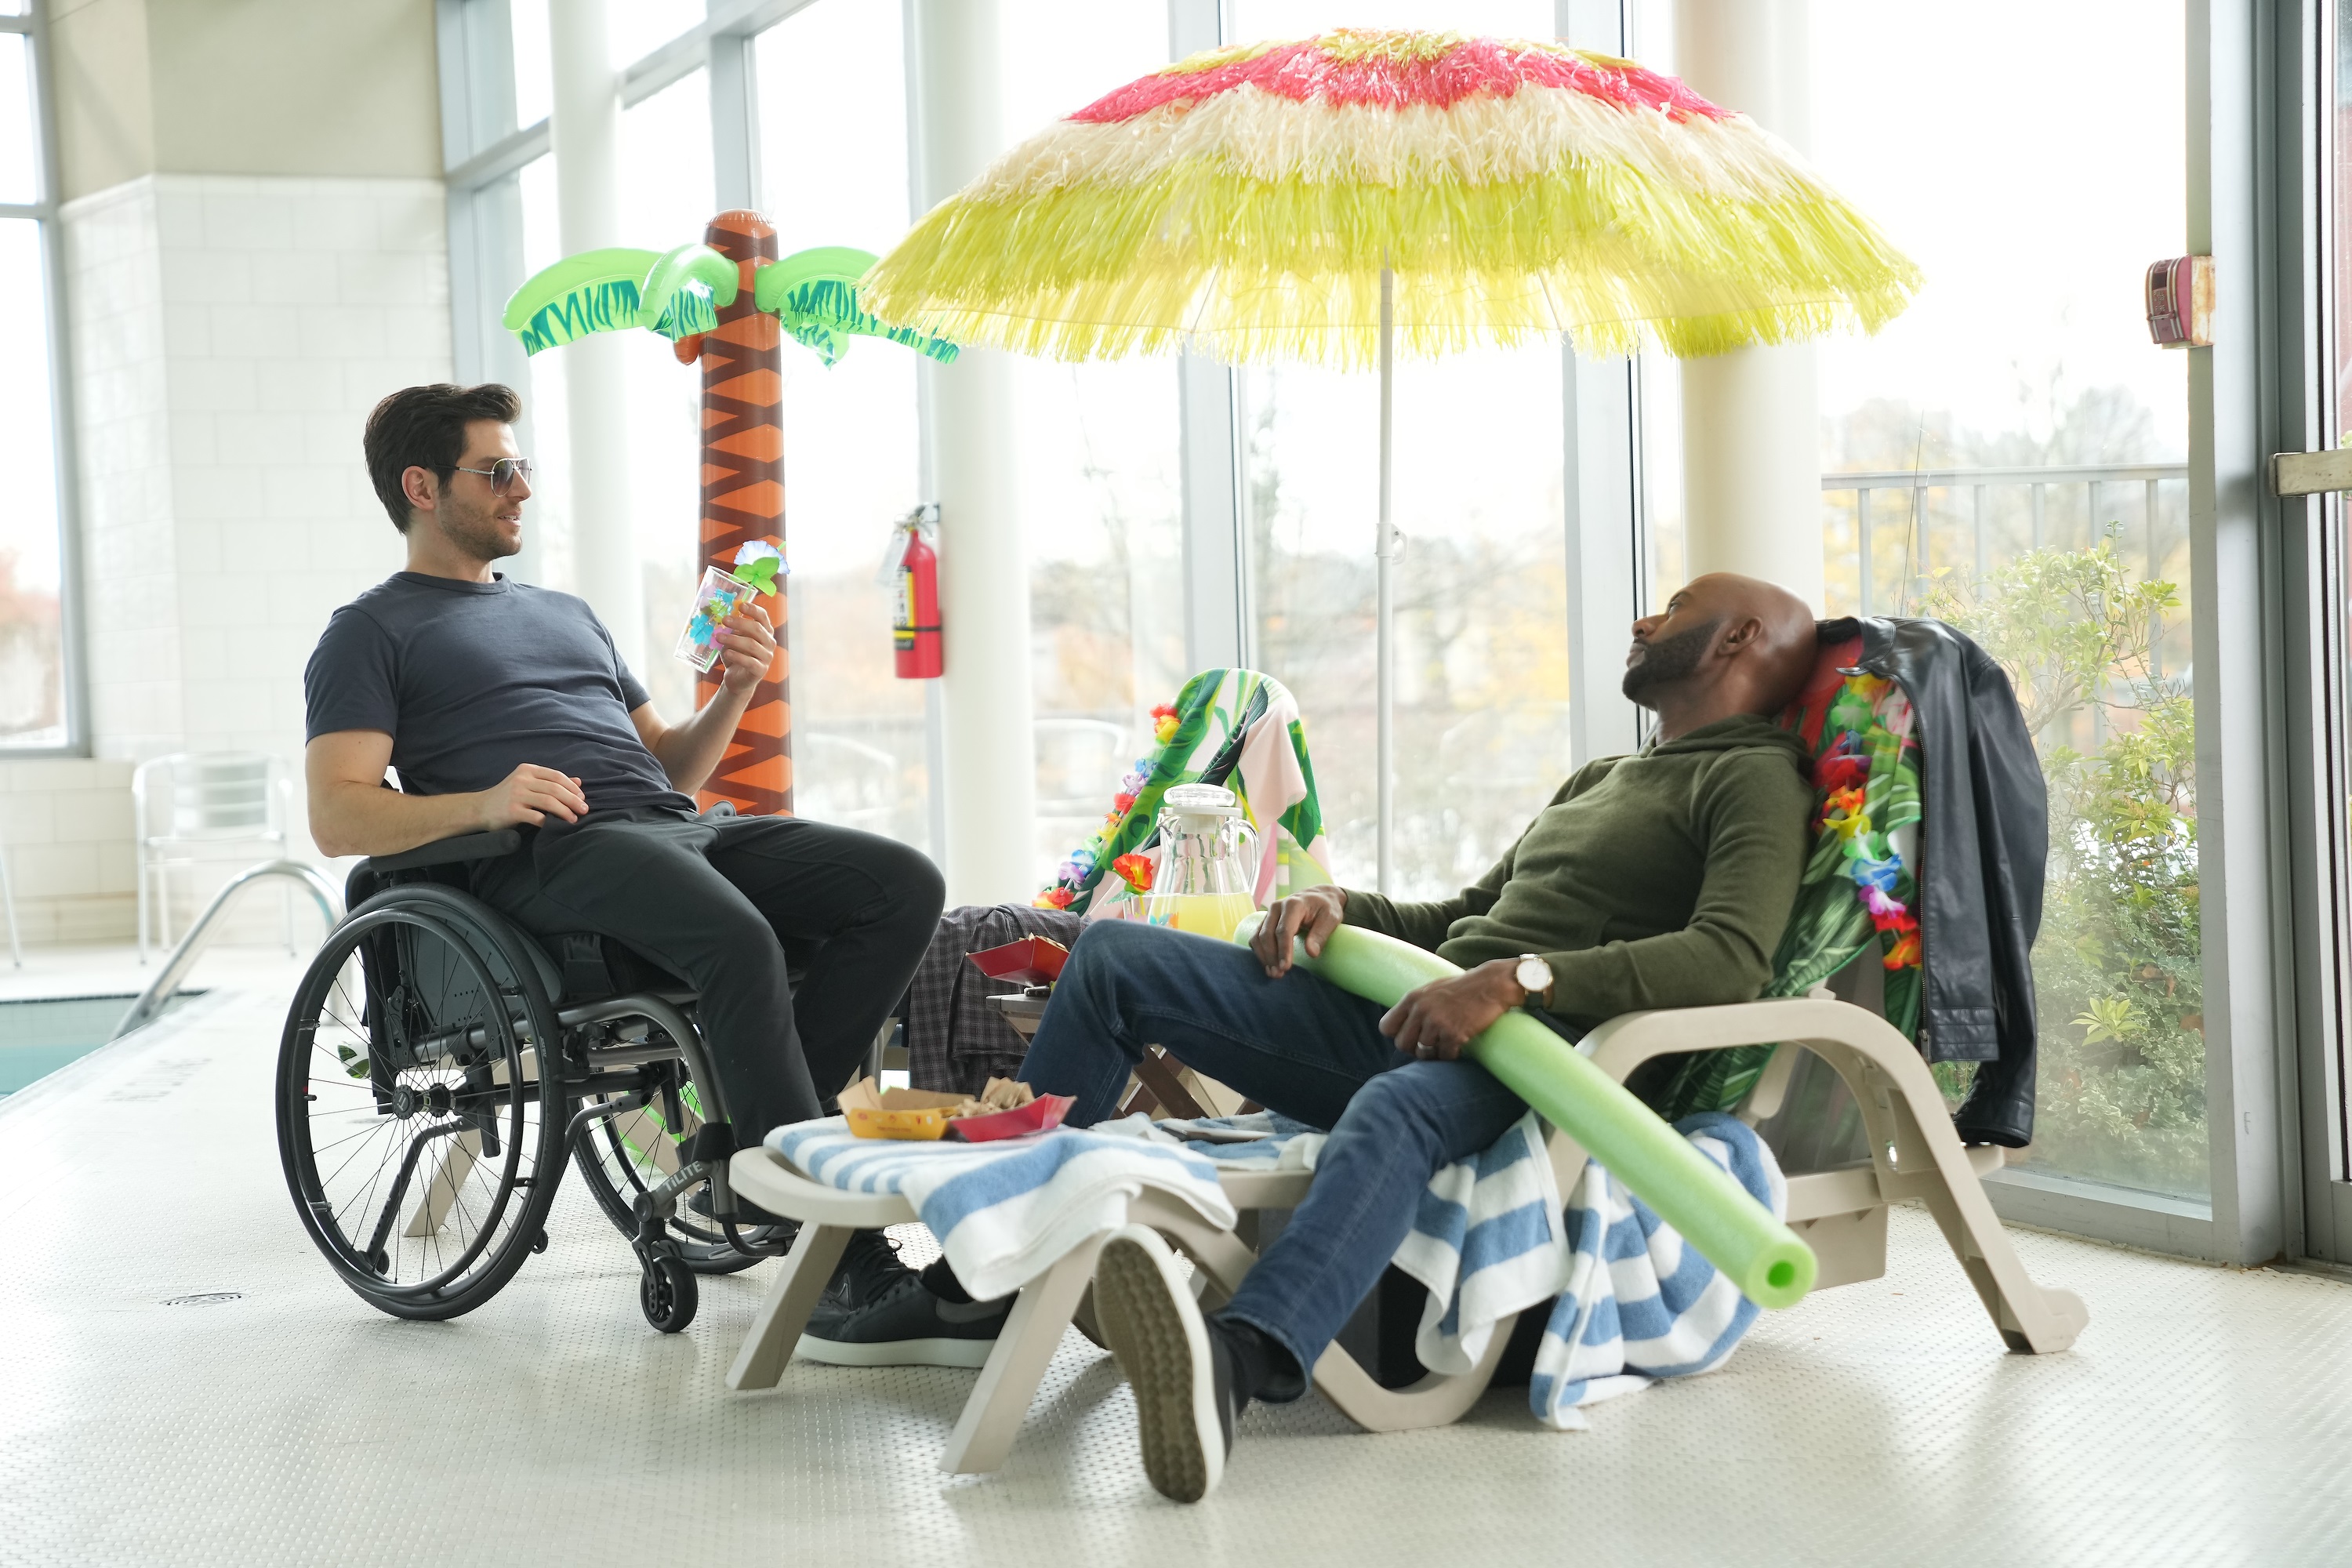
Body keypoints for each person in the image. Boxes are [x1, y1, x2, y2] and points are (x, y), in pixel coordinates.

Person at [1014, 572, 1822, 1503]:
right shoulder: (1606, 775)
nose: (1644, 618)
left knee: (1395, 1106)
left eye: (1676, 608)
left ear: (1738, 638)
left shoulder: (1753, 777)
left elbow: (1730, 956)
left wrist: (1520, 982)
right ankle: (999, 1274)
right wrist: (1340, 904)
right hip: (1419, 1008)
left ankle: (1239, 1366)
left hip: (1547, 1061)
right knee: (1115, 955)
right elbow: (1469, 913)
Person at [303, 383, 952, 1313]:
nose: (520, 487)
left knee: (899, 885)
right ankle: (828, 1242)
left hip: (673, 826)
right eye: (496, 470)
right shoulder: (369, 632)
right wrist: (486, 803)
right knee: (736, 938)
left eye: (521, 466)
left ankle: (765, 1155)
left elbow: (672, 768)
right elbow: (338, 814)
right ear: (421, 486)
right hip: (552, 851)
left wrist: (735, 688)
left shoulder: (570, 613)